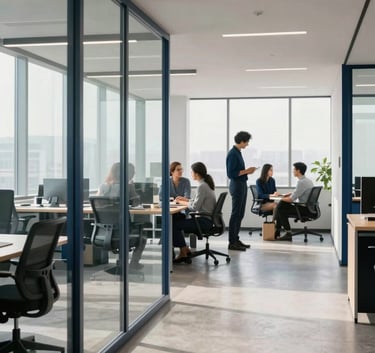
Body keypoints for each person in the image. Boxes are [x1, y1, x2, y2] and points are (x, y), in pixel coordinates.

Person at [97, 162, 146, 269]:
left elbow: (98, 203)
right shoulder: (128, 187)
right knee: (142, 238)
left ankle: (121, 265)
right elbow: (136, 203)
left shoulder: (103, 186)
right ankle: (134, 264)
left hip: (103, 232)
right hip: (122, 232)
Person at [172, 162, 216, 262]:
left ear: (196, 174)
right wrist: (186, 200)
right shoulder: (205, 184)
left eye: (192, 172)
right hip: (208, 220)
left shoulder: (202, 187)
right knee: (177, 218)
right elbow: (197, 202)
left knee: (174, 225)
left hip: (204, 221)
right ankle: (185, 249)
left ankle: (183, 250)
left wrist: (182, 202)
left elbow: (195, 207)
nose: (191, 174)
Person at [226, 131, 257, 251]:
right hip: (237, 185)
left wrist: (247, 171)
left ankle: (236, 239)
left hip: (242, 184)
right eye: (247, 142)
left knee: (240, 213)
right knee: (236, 214)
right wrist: (247, 171)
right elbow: (231, 173)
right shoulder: (233, 154)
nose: (248, 144)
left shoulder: (238, 152)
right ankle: (232, 242)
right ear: (242, 141)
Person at [274, 162, 314, 241]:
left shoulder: (301, 182)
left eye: (294, 169)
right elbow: (296, 193)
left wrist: (279, 198)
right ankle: (277, 230)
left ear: (298, 171)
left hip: (304, 209)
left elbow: (291, 199)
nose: (293, 171)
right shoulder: (307, 180)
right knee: (282, 205)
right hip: (308, 207)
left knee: (281, 208)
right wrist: (283, 195)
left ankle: (285, 232)